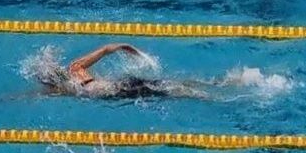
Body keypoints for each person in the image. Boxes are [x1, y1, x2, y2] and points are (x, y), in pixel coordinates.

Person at [35, 43, 209, 99]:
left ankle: (207, 96)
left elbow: (36, 94)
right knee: (167, 85)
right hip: (123, 83)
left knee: (169, 90)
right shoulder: (76, 68)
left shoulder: (65, 88)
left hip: (120, 91)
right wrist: (125, 46)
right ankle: (216, 83)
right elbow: (106, 49)